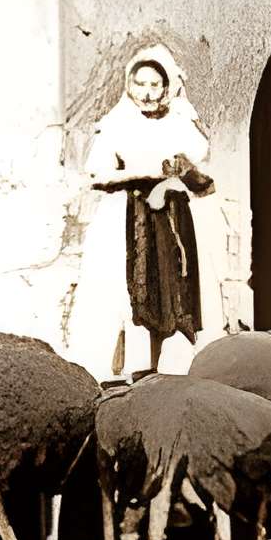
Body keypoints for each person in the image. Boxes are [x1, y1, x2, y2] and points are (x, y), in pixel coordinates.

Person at [89, 46, 212, 377]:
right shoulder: (118, 124)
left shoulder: (179, 123)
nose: (147, 92)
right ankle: (134, 368)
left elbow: (199, 168)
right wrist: (142, 174)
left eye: (154, 85)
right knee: (132, 289)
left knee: (173, 289)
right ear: (130, 85)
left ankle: (172, 369)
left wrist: (177, 174)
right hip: (128, 213)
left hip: (171, 216)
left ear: (166, 87)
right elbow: (98, 174)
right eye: (140, 84)